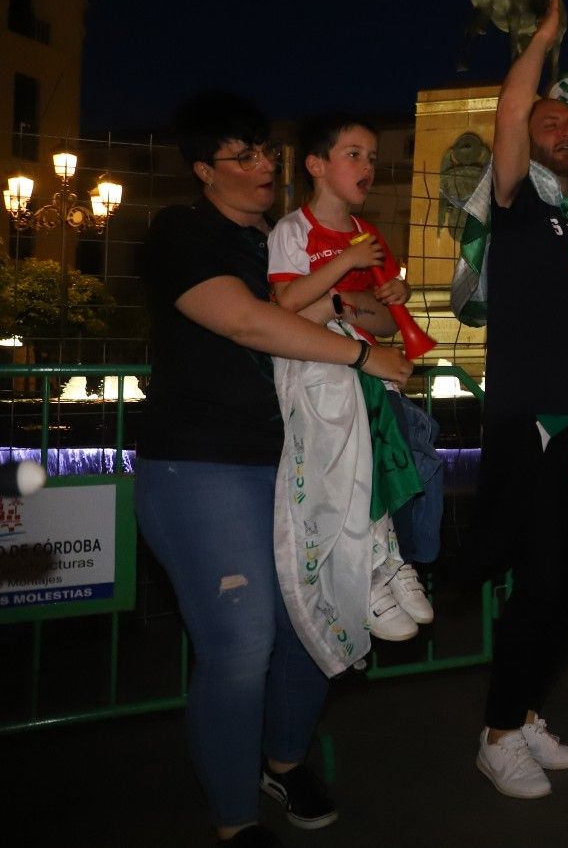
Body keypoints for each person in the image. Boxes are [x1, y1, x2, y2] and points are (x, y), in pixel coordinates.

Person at [138, 92, 413, 845]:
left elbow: (310, 308)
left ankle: (283, 760)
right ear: (204, 171)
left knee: (312, 625)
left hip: (289, 462)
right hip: (199, 466)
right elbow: (248, 320)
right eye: (243, 154)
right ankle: (235, 817)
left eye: (266, 151)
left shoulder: (277, 241)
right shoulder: (180, 232)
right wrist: (364, 351)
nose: (264, 165)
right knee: (241, 642)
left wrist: (369, 304)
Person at [468, 0, 568, 800]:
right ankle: (497, 732)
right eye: (549, 127)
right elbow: (508, 111)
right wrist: (544, 42)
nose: (564, 133)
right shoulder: (515, 201)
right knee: (541, 578)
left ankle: (526, 707)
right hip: (527, 422)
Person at [267, 116, 433, 641]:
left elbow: (380, 320)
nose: (368, 167)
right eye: (354, 154)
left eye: (372, 158)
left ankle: (387, 565)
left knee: (384, 468)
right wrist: (346, 268)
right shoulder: (293, 231)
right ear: (316, 165)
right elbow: (288, 306)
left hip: (368, 379)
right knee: (347, 476)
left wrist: (384, 301)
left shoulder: (369, 237)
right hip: (318, 380)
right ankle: (368, 575)